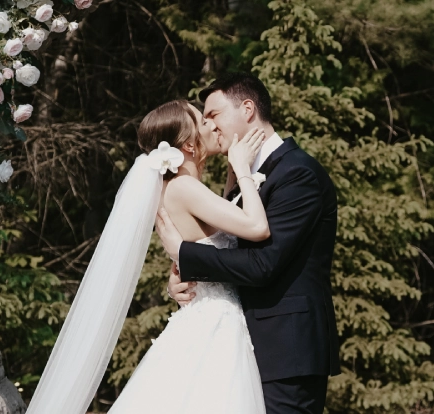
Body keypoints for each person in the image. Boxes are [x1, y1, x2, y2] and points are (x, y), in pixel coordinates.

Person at [27, 98, 269, 413]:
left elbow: (203, 245)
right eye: (203, 121)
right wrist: (242, 169)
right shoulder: (184, 187)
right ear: (189, 145)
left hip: (206, 315)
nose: (212, 124)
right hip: (215, 323)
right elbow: (256, 226)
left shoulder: (180, 187)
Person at [156, 73, 340, 414]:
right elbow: (231, 250)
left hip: (287, 350)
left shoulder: (297, 174)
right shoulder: (240, 178)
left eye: (213, 115)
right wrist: (182, 274)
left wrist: (185, 255)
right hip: (241, 346)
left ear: (247, 109)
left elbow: (263, 264)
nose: (209, 126)